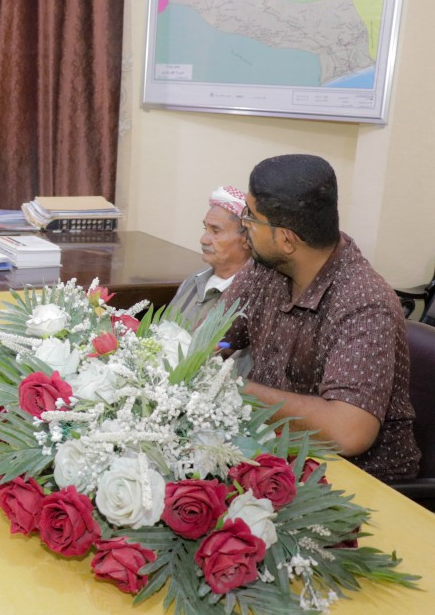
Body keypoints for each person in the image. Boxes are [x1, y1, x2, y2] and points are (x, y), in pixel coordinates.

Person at [222, 154, 419, 482]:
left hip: (359, 483)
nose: (244, 225)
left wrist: (233, 389)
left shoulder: (364, 302)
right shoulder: (265, 267)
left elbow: (348, 431)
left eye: (251, 217)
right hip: (278, 460)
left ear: (286, 239)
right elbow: (213, 338)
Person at [168, 185, 252, 328]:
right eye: (205, 229)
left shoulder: (252, 295)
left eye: (216, 231)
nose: (203, 240)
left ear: (246, 239)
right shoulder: (194, 279)